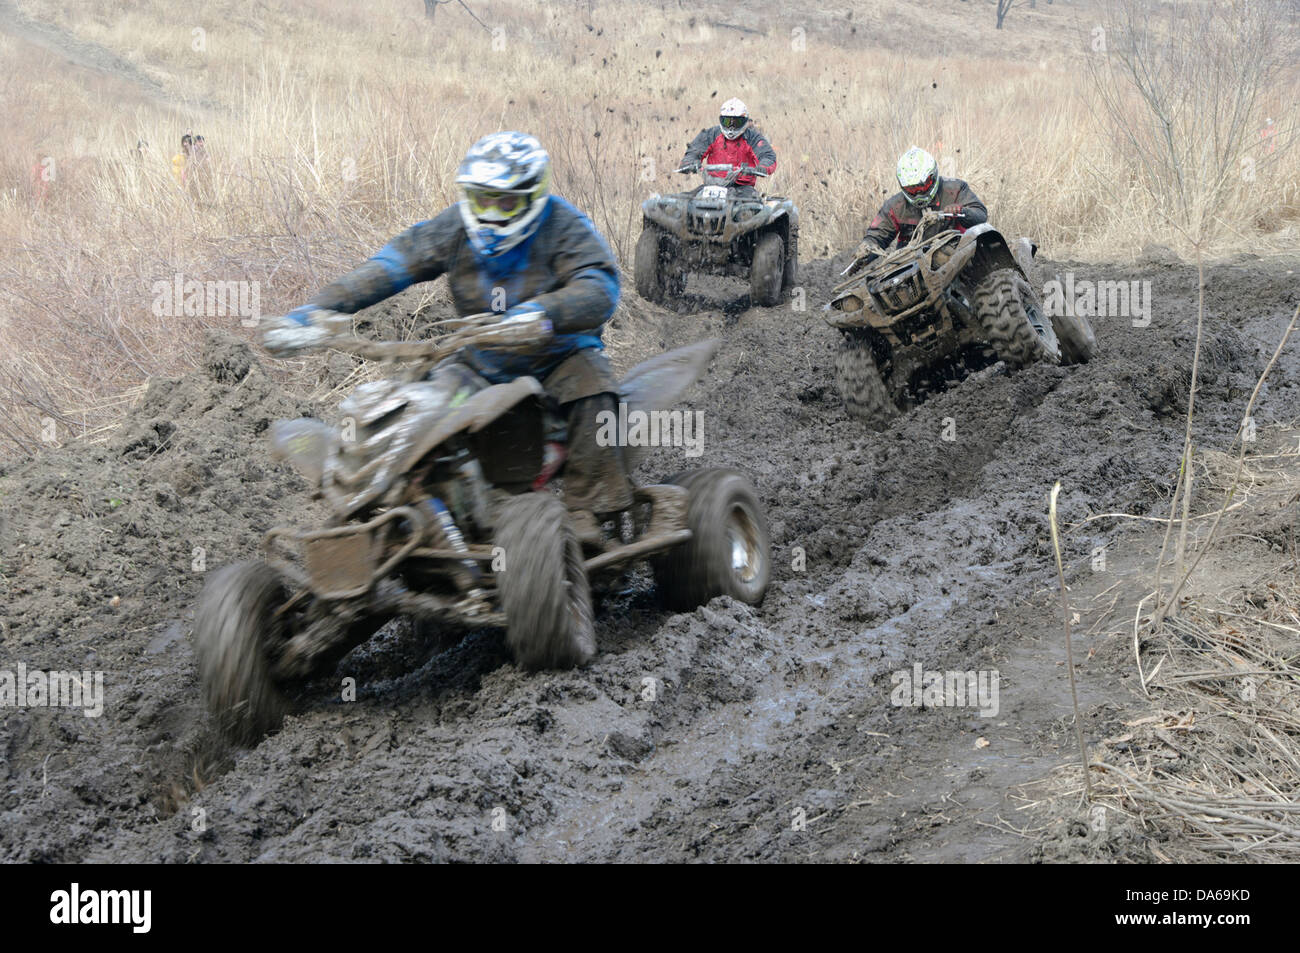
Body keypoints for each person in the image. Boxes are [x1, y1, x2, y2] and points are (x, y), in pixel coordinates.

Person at [259, 131, 634, 515]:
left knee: (593, 394)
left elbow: (599, 286)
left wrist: (540, 313)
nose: (489, 212)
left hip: (558, 356)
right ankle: (414, 510)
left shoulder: (564, 225)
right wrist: (312, 313)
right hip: (480, 361)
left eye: (505, 202)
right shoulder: (455, 227)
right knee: (415, 410)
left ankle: (591, 510)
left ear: (532, 196)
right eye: (480, 198)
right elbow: (391, 266)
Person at [852, 146, 988, 264]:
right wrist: (866, 249)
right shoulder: (895, 206)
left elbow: (980, 214)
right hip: (911, 260)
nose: (918, 193)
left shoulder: (955, 189)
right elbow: (877, 235)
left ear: (933, 177)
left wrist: (961, 211)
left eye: (923, 186)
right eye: (912, 189)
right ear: (903, 186)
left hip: (958, 251)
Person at [678, 97, 777, 197]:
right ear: (721, 120)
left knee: (749, 209)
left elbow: (768, 156)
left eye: (736, 123)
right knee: (683, 201)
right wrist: (689, 162)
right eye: (727, 122)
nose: (731, 127)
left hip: (742, 187)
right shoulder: (711, 134)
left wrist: (762, 168)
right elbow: (694, 151)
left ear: (745, 121)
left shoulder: (753, 138)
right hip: (711, 186)